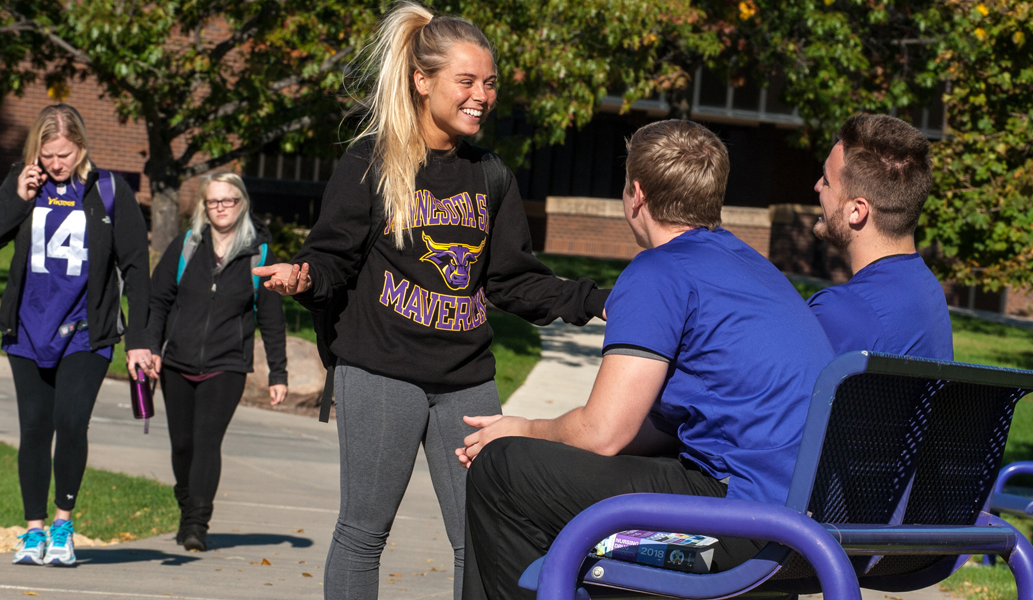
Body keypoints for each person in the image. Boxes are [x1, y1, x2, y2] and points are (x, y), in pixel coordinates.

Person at [253, 4, 608, 598]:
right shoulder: (372, 159)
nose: (481, 96)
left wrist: (598, 302)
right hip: (382, 371)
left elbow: (513, 281)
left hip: (466, 380)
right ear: (423, 81)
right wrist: (304, 275)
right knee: (364, 534)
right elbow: (334, 257)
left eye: (489, 83)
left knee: (482, 537)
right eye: (466, 82)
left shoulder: (492, 174)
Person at [456, 119, 836, 600]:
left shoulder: (659, 269)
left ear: (636, 194)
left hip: (741, 528)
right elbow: (657, 429)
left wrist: (524, 428)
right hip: (803, 522)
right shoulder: (753, 267)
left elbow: (603, 433)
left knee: (503, 469)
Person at [0, 104, 153, 566]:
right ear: (36, 149)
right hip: (28, 328)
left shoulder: (109, 191)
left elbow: (136, 269)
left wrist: (139, 340)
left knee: (71, 421)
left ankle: (62, 525)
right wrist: (17, 196)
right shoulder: (23, 180)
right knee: (34, 429)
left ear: (82, 145)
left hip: (87, 331)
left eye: (65, 154)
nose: (55, 164)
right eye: (47, 154)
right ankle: (32, 531)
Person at [145, 172, 289, 552]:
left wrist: (278, 372)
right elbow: (158, 300)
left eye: (229, 200)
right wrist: (150, 347)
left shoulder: (258, 254)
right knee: (182, 446)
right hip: (176, 362)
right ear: (204, 208)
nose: (221, 207)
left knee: (207, 442)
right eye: (213, 202)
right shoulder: (186, 246)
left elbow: (271, 316)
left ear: (242, 204)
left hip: (226, 365)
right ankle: (186, 507)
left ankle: (197, 524)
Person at [805, 114, 952, 359]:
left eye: (827, 181)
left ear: (856, 211)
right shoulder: (930, 293)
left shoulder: (839, 312)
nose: (817, 186)